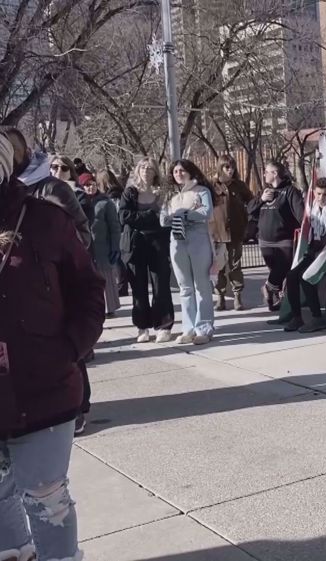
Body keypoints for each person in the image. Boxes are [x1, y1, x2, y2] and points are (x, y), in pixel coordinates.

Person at [0, 133, 106, 561]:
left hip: (42, 389)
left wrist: (67, 349)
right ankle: (13, 552)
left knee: (45, 499)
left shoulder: (45, 220)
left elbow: (88, 291)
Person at [121, 158, 175, 343]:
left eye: (150, 168)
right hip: (136, 244)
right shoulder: (130, 193)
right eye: (143, 167)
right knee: (138, 286)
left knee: (161, 285)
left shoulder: (161, 193)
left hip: (158, 243)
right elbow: (124, 216)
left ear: (155, 173)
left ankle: (164, 325)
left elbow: (166, 217)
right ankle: (142, 326)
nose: (146, 171)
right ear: (137, 171)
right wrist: (151, 215)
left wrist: (145, 218)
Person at [161, 160, 215, 345]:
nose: (178, 174)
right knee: (185, 288)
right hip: (177, 241)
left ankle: (204, 328)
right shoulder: (171, 196)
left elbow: (206, 212)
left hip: (198, 240)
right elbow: (163, 219)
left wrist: (183, 214)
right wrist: (179, 214)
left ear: (190, 172)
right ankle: (188, 328)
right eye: (175, 171)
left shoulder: (202, 191)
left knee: (201, 285)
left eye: (182, 170)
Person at [284, 177, 326, 333]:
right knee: (291, 276)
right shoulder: (312, 207)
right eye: (319, 194)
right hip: (313, 250)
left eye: (325, 194)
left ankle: (317, 318)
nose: (321, 198)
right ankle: (296, 317)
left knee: (306, 277)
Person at [248, 160, 304, 313]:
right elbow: (250, 210)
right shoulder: (264, 191)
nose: (264, 174)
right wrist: (261, 200)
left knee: (282, 268)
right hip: (265, 240)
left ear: (275, 173)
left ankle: (267, 288)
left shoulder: (290, 191)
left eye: (266, 171)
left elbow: (301, 214)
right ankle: (278, 301)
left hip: (284, 240)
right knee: (276, 272)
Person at [213, 155, 254, 311]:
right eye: (226, 167)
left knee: (235, 265)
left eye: (232, 167)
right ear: (220, 168)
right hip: (218, 233)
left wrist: (247, 222)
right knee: (219, 267)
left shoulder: (239, 186)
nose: (230, 170)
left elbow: (251, 202)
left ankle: (237, 296)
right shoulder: (213, 186)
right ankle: (220, 297)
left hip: (236, 232)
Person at [81, 172, 123, 318]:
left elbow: (115, 227)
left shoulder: (105, 203)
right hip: (85, 247)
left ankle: (109, 308)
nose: (90, 187)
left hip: (103, 247)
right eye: (86, 185)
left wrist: (115, 247)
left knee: (106, 277)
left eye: (92, 184)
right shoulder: (79, 203)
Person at [99, 170, 130, 298]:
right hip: (120, 229)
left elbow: (116, 212)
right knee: (118, 258)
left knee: (117, 259)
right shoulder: (120, 191)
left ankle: (122, 286)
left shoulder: (112, 195)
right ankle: (122, 285)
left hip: (116, 229)